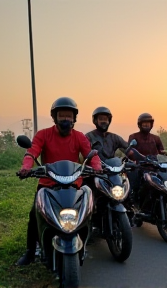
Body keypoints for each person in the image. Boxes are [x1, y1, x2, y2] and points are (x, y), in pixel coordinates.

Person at [16, 97, 102, 266]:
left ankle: (84, 240)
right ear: (54, 117)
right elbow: (31, 152)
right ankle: (30, 252)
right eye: (61, 115)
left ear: (74, 118)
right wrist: (26, 166)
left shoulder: (79, 137)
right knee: (35, 214)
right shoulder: (43, 134)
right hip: (48, 184)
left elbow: (91, 154)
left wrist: (97, 167)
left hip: (74, 183)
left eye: (69, 116)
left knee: (88, 209)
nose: (65, 119)